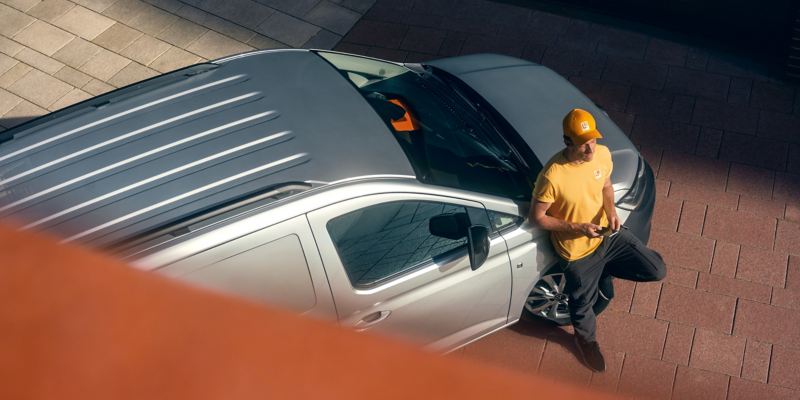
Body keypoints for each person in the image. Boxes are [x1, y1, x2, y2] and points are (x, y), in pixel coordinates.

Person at [529, 108, 666, 372]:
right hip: (577, 253)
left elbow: (605, 185)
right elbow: (537, 218)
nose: (590, 149)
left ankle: (604, 270)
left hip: (607, 237)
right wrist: (576, 227)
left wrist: (611, 211)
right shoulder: (552, 176)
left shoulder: (602, 155)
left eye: (592, 141)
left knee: (657, 270)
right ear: (568, 142)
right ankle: (587, 343)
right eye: (583, 144)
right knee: (582, 307)